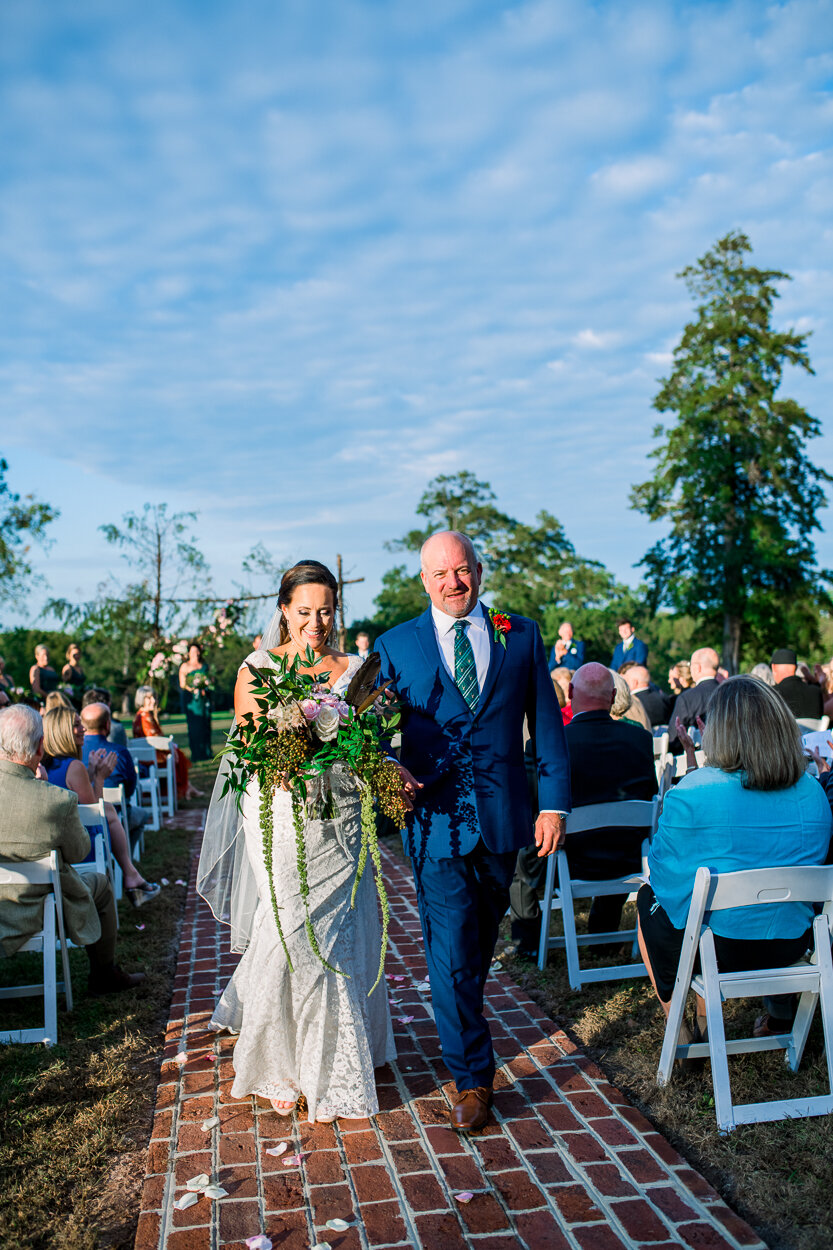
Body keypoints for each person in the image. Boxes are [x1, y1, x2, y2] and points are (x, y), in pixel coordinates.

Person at [376, 530, 570, 1132]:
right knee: (453, 948)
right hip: (432, 822)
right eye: (439, 575)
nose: (452, 584)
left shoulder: (522, 634)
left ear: (479, 572)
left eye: (461, 571)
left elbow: (548, 728)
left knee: (479, 943)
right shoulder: (395, 645)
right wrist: (385, 766)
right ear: (424, 580)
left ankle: (462, 1019)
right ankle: (472, 1079)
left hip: (505, 818)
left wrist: (554, 806)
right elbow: (369, 733)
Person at [199, 561, 394, 1122]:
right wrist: (297, 737)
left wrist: (372, 754)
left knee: (341, 929)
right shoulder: (257, 667)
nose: (317, 623)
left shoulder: (354, 668)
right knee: (288, 926)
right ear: (284, 610)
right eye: (305, 611)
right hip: (282, 815)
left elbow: (372, 740)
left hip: (343, 817)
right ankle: (280, 1061)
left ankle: (335, 1058)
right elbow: (254, 749)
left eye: (326, 611)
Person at [638, 676, 832, 1040]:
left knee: (650, 900)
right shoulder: (812, 791)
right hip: (795, 944)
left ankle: (681, 1022)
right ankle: (779, 1016)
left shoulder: (693, 791)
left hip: (720, 948)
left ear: (718, 731)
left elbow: (664, 880)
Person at [0, 705, 145, 994]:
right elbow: (80, 852)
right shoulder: (56, 800)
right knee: (101, 884)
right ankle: (104, 975)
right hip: (37, 909)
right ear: (40, 747)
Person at [41, 707, 159, 907]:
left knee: (110, 812)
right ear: (62, 731)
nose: (82, 730)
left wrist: (91, 772)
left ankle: (132, 876)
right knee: (110, 811)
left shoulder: (45, 765)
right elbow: (95, 814)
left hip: (52, 844)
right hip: (78, 849)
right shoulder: (73, 767)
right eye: (76, 726)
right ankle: (131, 876)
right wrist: (100, 778)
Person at [80, 703, 148, 844]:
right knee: (142, 815)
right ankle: (126, 856)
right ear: (107, 724)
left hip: (81, 818)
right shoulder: (119, 752)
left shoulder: (75, 753)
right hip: (116, 814)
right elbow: (130, 789)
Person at [133, 685, 202, 800]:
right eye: (149, 698)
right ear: (141, 700)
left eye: (154, 697)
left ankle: (187, 788)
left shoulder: (141, 715)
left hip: (147, 756)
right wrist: (171, 749)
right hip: (150, 759)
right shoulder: (145, 717)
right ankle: (186, 789)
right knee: (178, 756)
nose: (153, 701)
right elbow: (156, 740)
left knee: (177, 754)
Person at [667, 647, 720, 754]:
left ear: (697, 667)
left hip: (697, 761)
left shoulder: (687, 698)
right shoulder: (731, 693)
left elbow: (673, 738)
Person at [179, 642, 213, 761]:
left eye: (197, 651)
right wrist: (193, 689)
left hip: (204, 699)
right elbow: (182, 684)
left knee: (206, 724)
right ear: (189, 653)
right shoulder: (185, 666)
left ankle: (207, 752)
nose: (196, 654)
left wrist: (207, 684)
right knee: (195, 726)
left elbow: (210, 678)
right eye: (193, 651)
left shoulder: (204, 665)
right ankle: (196, 753)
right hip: (192, 700)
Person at [771, 647, 825, 720]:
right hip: (813, 731)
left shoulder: (773, 694)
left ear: (773, 667)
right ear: (796, 668)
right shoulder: (816, 692)